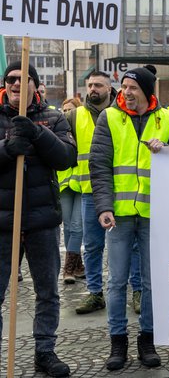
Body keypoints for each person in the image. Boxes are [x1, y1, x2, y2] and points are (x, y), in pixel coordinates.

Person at [89, 67, 169, 371]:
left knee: (152, 282)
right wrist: (104, 206)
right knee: (117, 282)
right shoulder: (110, 117)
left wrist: (167, 150)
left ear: (146, 90)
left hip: (154, 213)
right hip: (119, 214)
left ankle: (148, 340)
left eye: (132, 87)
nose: (126, 92)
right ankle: (118, 342)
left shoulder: (167, 119)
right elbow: (99, 165)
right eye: (124, 86)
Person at [0, 62, 76, 377]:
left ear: (35, 84)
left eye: (23, 79)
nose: (17, 83)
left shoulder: (54, 118)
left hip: (42, 221)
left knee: (48, 291)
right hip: (2, 223)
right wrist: (6, 148)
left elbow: (66, 158)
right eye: (11, 79)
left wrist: (37, 133)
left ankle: (44, 352)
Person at [73, 72, 143, 316]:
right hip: (89, 192)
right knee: (92, 246)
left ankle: (137, 291)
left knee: (132, 246)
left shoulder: (123, 112)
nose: (93, 88)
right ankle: (94, 293)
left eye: (98, 85)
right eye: (90, 84)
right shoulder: (75, 115)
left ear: (109, 88)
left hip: (121, 193)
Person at [57, 97, 85, 284]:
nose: (67, 113)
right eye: (64, 110)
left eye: (70, 110)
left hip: (83, 183)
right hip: (65, 184)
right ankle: (77, 265)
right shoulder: (59, 130)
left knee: (77, 227)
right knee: (68, 228)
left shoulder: (83, 130)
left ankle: (68, 269)